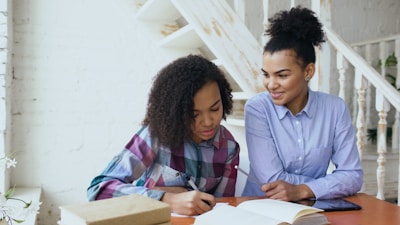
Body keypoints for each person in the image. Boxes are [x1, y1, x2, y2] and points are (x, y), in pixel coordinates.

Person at [87, 54, 240, 216]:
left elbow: (223, 208)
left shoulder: (229, 147)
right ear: (175, 111)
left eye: (215, 109)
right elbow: (98, 189)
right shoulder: (156, 135)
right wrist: (167, 199)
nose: (208, 121)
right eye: (194, 114)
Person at [242, 6, 363, 202]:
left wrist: (303, 190)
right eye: (266, 74)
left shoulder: (335, 109)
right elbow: (272, 180)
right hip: (262, 208)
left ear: (308, 72)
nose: (270, 84)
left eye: (282, 75)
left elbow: (353, 175)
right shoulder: (258, 108)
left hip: (313, 209)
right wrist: (328, 184)